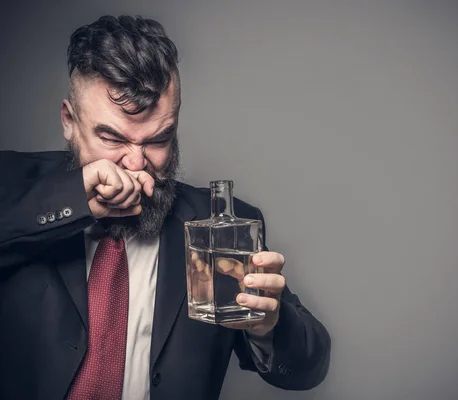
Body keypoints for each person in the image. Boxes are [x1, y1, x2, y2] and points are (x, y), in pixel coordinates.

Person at [0, 15, 330, 400]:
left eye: (158, 139)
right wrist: (74, 202)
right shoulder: (12, 186)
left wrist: (269, 326)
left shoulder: (222, 226)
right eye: (111, 137)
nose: (136, 164)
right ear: (69, 121)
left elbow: (308, 368)